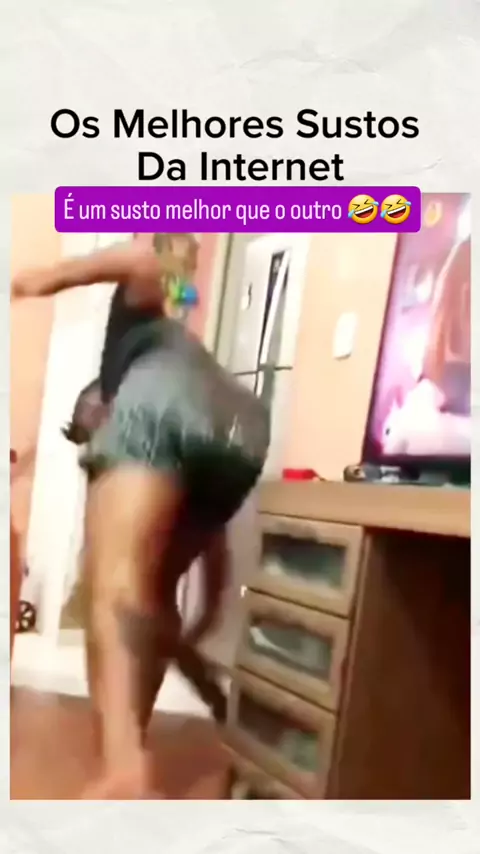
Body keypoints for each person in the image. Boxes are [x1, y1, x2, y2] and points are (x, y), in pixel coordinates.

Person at [12, 233, 270, 799]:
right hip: (243, 425)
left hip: (171, 397)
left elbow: (141, 257)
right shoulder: (184, 349)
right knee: (151, 591)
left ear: (100, 407)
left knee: (110, 588)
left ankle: (124, 769)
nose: (92, 455)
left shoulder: (137, 361)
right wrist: (197, 635)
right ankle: (135, 734)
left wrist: (33, 280)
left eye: (87, 437)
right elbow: (211, 565)